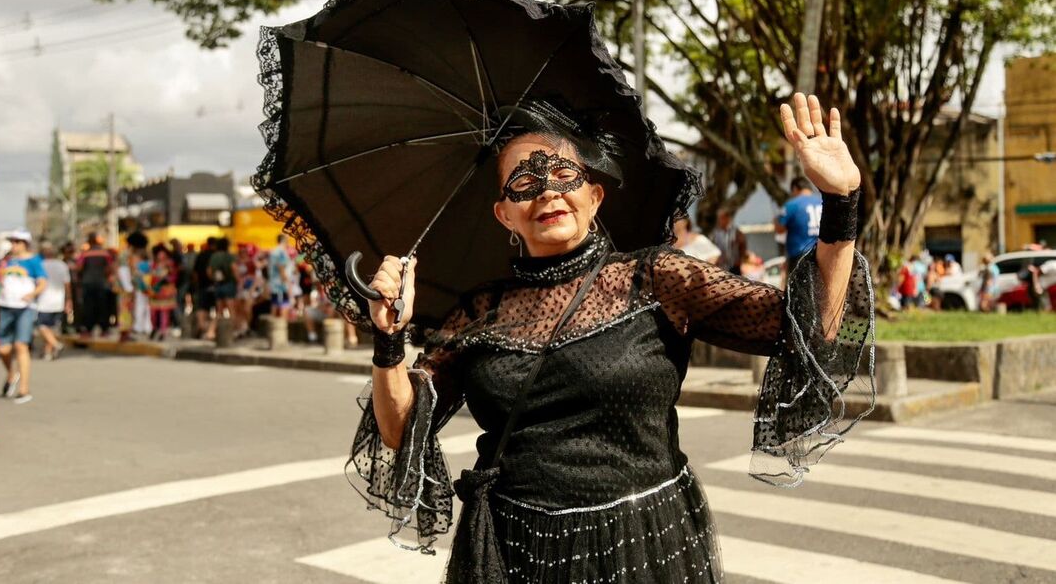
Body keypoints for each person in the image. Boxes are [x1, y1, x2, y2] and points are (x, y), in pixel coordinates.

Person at [351, 94, 872, 582]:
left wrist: (841, 203)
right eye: (524, 184)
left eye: (563, 173)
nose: (548, 191)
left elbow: (814, 328)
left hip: (644, 544)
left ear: (594, 196)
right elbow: (399, 431)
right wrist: (389, 342)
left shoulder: (657, 279)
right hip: (516, 552)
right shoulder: (479, 312)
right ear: (504, 213)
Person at [0, 229, 46, 404]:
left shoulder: (34, 261)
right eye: (13, 242)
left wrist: (32, 294)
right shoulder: (7, 261)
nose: (14, 245)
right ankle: (11, 374)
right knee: (3, 349)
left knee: (21, 345)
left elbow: (43, 282)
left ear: (25, 243)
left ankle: (24, 389)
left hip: (25, 308)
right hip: (5, 307)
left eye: (17, 242)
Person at [775, 176, 823, 277]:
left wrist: (775, 220)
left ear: (795, 189)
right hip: (822, 254)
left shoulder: (792, 205)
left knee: (798, 290)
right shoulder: (822, 203)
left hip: (799, 254)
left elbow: (779, 230)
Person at [35, 244, 70, 360]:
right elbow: (67, 284)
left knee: (42, 326)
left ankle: (56, 345)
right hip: (58, 300)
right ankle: (48, 352)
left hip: (43, 301)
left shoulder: (40, 265)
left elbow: (36, 283)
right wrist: (69, 299)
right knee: (51, 328)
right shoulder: (62, 265)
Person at [76, 233, 114, 338]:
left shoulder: (85, 254)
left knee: (88, 306)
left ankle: (88, 329)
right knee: (103, 306)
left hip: (87, 283)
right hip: (102, 283)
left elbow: (79, 267)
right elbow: (110, 268)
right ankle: (104, 329)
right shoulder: (105, 253)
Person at [205, 237, 236, 340]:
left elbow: (209, 271)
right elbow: (234, 269)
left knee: (219, 311)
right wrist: (238, 280)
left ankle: (211, 331)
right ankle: (231, 332)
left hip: (218, 285)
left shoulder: (214, 256)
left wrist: (214, 279)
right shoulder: (229, 256)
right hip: (229, 284)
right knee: (231, 310)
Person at [148, 244, 178, 341]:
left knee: (164, 312)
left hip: (166, 291)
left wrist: (167, 279)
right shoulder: (153, 265)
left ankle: (163, 331)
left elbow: (173, 276)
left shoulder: (169, 264)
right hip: (156, 291)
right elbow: (151, 277)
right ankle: (155, 328)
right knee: (154, 312)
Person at [191, 237, 217, 338]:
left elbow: (195, 272)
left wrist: (196, 283)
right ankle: (210, 331)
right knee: (217, 310)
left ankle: (202, 327)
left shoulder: (201, 255)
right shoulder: (216, 256)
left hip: (202, 285)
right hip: (215, 286)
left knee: (202, 308)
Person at [710, 206, 747, 275]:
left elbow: (743, 245)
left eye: (721, 218)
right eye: (719, 218)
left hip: (734, 267)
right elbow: (712, 247)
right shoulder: (715, 233)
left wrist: (740, 260)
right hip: (720, 267)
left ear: (727, 218)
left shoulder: (735, 232)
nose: (720, 221)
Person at [268, 234, 293, 320]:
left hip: (276, 284)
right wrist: (288, 284)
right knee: (282, 308)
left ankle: (273, 330)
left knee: (275, 305)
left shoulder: (275, 251)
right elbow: (281, 269)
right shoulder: (280, 252)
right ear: (283, 241)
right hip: (281, 285)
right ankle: (280, 330)